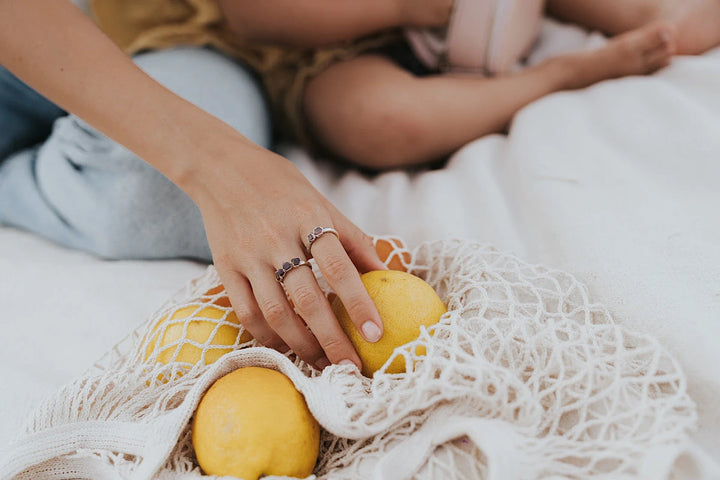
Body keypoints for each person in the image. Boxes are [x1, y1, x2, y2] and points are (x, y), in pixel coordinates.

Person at [2, 0, 720, 373]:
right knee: (375, 120)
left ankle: (618, 37)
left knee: (152, 191)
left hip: (166, 54)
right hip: (248, 42)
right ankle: (558, 76)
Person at [214, 0, 720, 170]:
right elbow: (255, 17)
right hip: (323, 45)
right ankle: (561, 75)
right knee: (378, 119)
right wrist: (399, 8)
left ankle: (657, 17)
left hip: (497, 16)